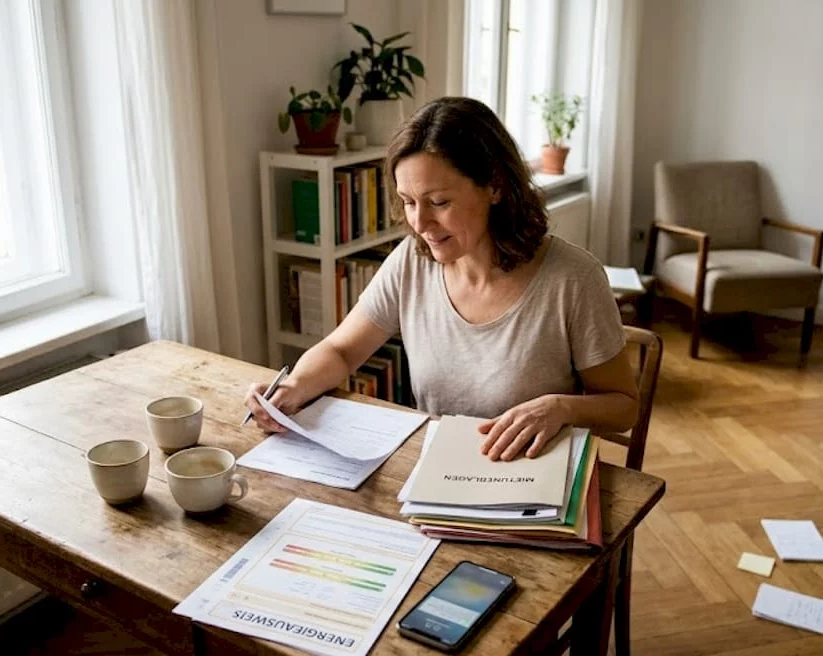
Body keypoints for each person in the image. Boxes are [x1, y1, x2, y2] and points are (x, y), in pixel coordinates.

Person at [245, 96, 638, 461]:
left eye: (438, 202)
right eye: (408, 202)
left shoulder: (573, 279)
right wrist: (294, 387)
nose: (420, 223)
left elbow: (623, 407)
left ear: (495, 186)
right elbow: (342, 352)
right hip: (438, 473)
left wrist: (561, 407)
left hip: (532, 482)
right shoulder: (412, 263)